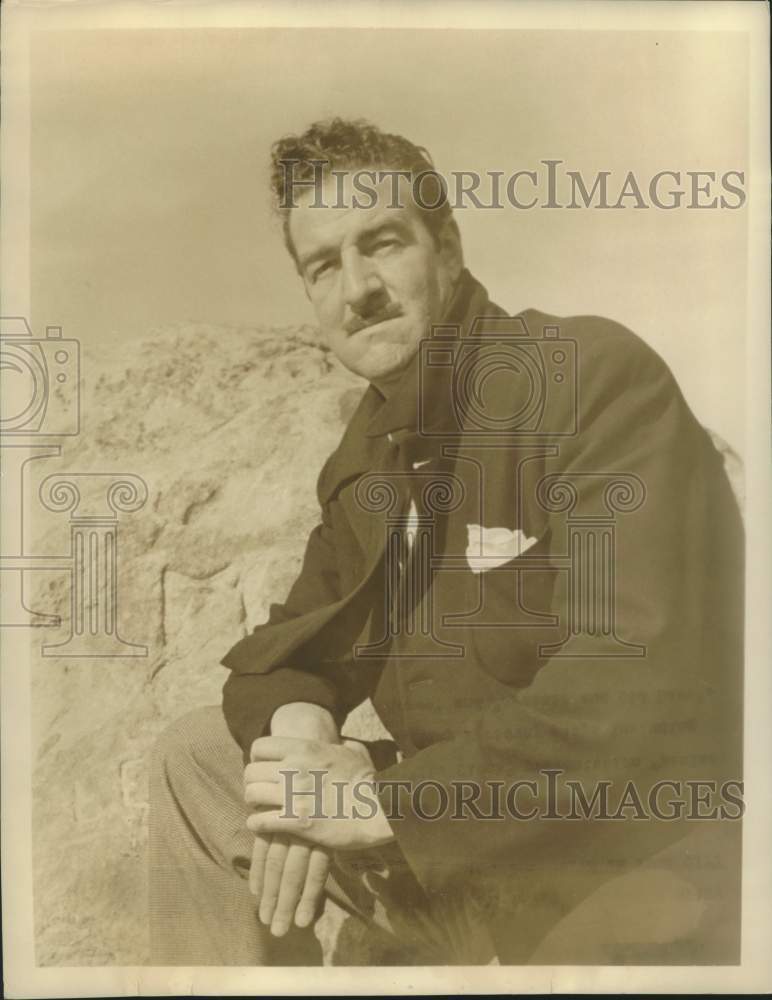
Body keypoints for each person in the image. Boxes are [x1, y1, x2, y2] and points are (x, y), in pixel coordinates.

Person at [149, 118, 743, 966]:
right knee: (198, 760)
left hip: (613, 865)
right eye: (324, 265)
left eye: (381, 244)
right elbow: (286, 647)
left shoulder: (586, 375)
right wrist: (307, 758)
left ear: (449, 249)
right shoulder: (370, 452)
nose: (357, 289)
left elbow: (638, 681)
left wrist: (385, 807)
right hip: (447, 866)